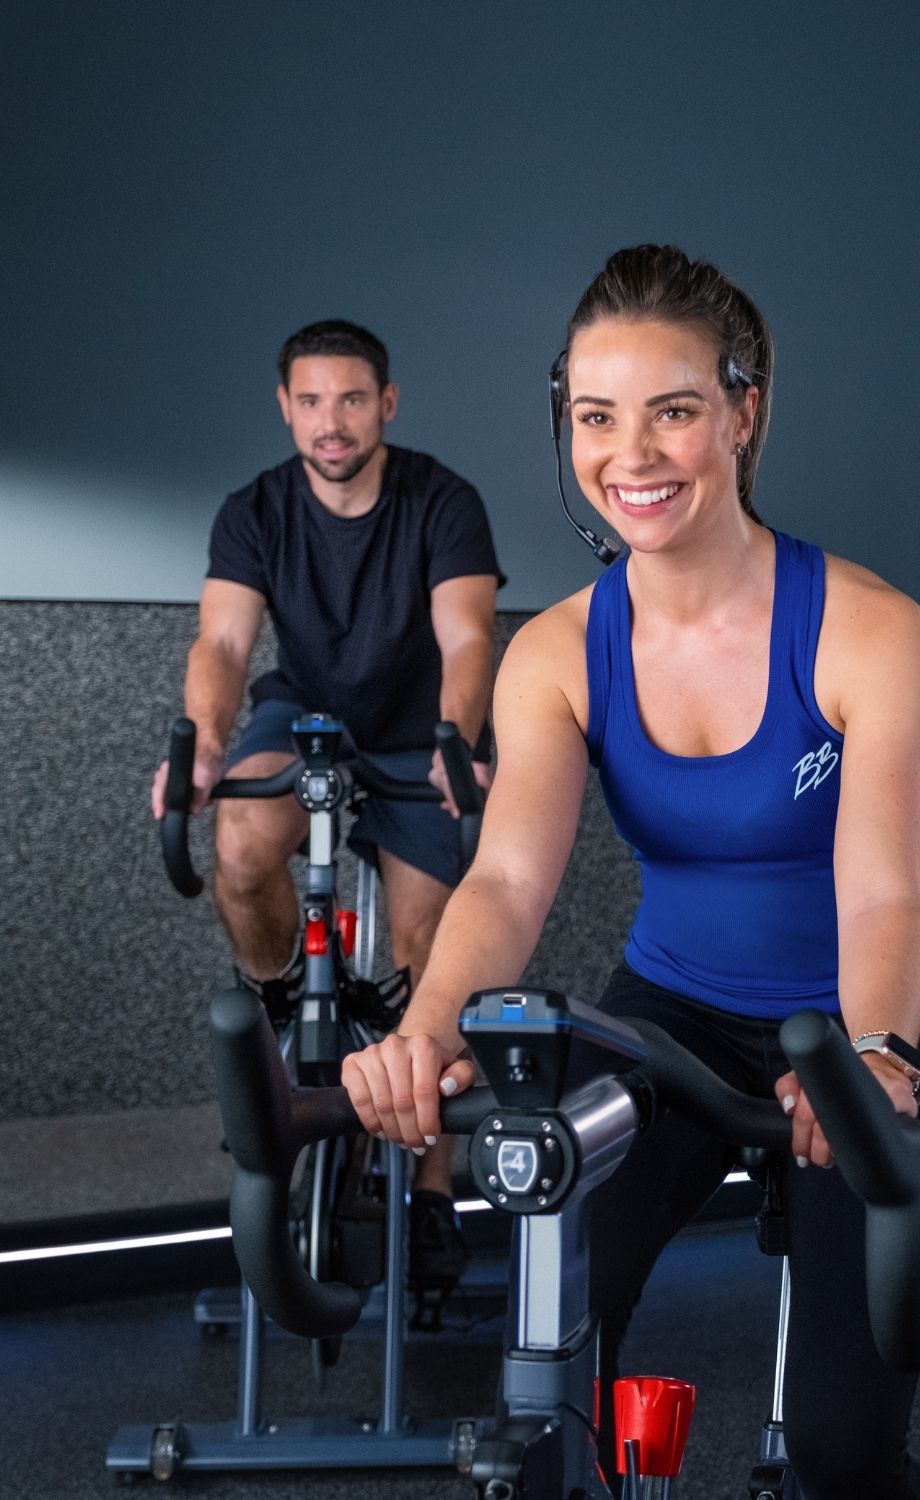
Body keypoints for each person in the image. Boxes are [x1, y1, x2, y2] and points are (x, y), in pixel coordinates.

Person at [341, 246, 920, 1499]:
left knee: (847, 1452)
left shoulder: (868, 629)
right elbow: (509, 880)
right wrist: (421, 1033)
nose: (632, 454)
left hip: (859, 1022)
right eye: (596, 416)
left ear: (743, 412)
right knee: (547, 1346)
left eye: (673, 410)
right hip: (671, 1017)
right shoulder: (560, 653)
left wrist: (879, 1054)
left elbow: (884, 890)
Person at [150, 319, 503, 1291]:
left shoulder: (443, 501)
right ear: (285, 408)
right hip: (302, 712)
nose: (330, 422)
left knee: (434, 940)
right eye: (310, 401)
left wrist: (456, 739)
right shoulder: (254, 511)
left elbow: (468, 637)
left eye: (351, 399)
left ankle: (431, 1192)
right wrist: (208, 746)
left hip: (417, 724)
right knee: (243, 841)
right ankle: (279, 1011)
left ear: (386, 403)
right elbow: (222, 647)